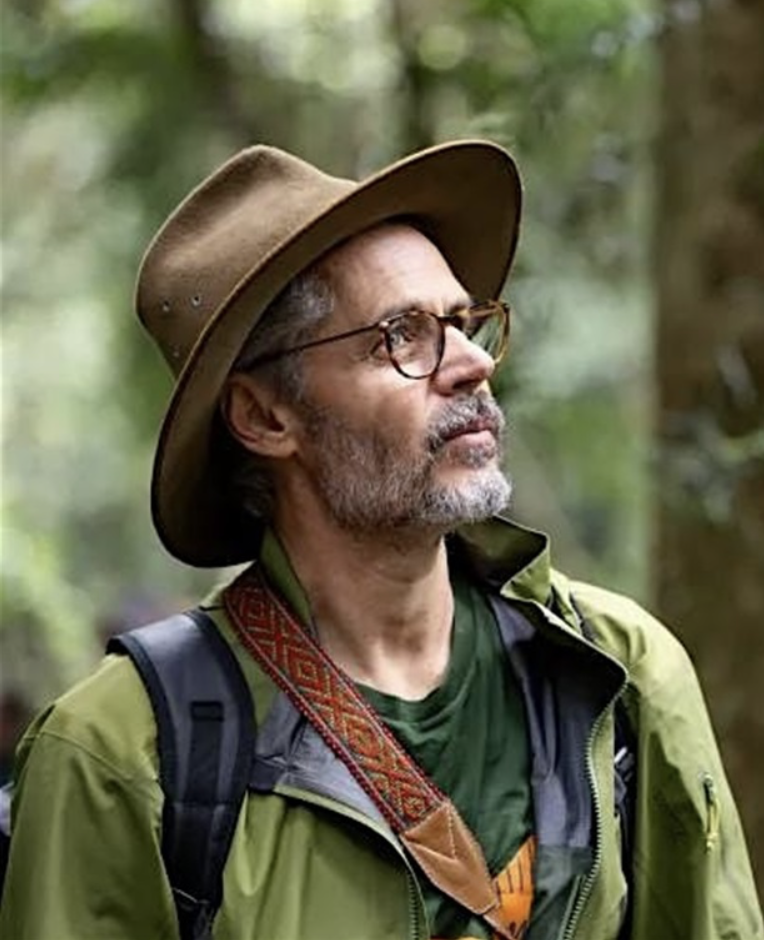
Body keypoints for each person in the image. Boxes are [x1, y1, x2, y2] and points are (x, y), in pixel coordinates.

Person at [0, 141, 760, 940]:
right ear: (265, 417)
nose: (470, 364)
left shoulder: (616, 672)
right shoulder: (121, 756)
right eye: (400, 336)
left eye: (465, 324)